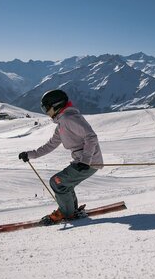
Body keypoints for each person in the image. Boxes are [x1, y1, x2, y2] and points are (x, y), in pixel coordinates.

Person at [18, 89, 103, 225]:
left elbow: (91, 137)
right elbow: (50, 145)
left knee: (57, 182)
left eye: (47, 108)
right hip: (82, 162)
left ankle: (66, 213)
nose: (46, 112)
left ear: (57, 105)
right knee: (64, 184)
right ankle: (71, 210)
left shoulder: (70, 119)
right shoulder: (62, 124)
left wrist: (86, 160)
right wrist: (30, 154)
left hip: (88, 162)